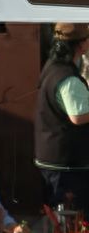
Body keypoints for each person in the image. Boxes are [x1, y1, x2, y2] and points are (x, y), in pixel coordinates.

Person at [34, 21, 89, 213]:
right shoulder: (67, 77)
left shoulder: (52, 66)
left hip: (53, 157)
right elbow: (79, 116)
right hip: (65, 165)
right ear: (81, 44)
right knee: (72, 221)